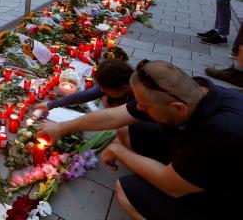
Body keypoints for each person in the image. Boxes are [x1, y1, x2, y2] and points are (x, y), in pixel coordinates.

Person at [38, 60, 243, 220]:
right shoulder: (195, 92)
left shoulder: (222, 132)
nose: (139, 108)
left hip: (223, 196)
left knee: (127, 191)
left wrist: (120, 152)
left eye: (144, 106)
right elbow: (113, 116)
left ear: (178, 108)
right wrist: (60, 128)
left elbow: (171, 185)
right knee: (137, 131)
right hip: (197, 153)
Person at [34, 59, 133, 112]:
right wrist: (50, 104)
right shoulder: (119, 83)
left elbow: (107, 119)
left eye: (105, 89)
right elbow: (86, 95)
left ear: (124, 88)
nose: (101, 91)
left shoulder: (136, 104)